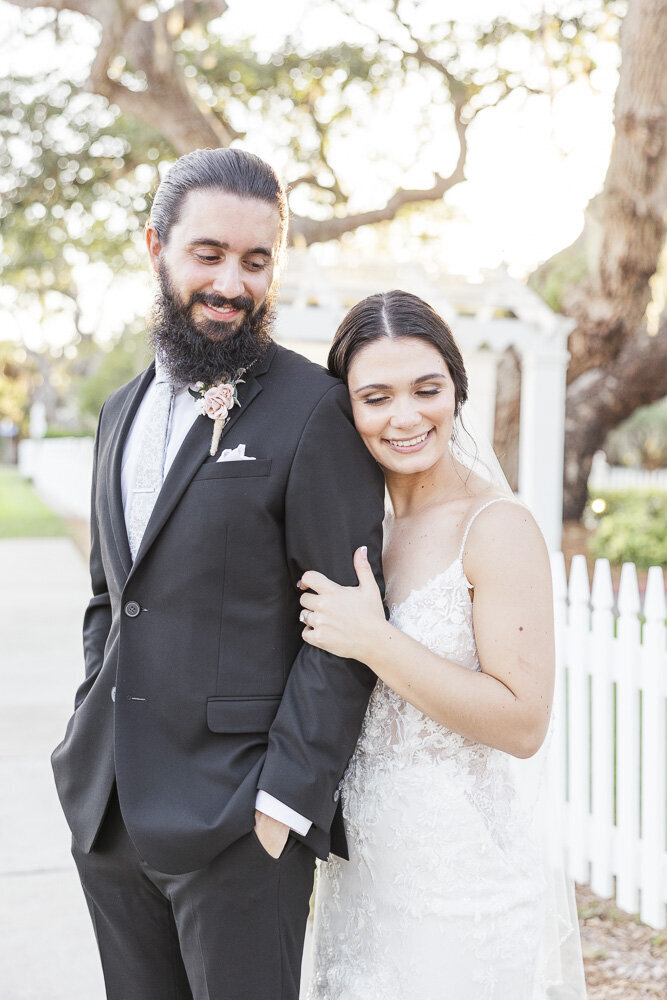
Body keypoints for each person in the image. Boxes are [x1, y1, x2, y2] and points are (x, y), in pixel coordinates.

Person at [51, 147, 385, 1000]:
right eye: (209, 255)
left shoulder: (316, 410)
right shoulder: (116, 412)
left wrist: (279, 807)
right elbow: (109, 594)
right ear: (155, 244)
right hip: (109, 815)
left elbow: (342, 631)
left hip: (240, 826)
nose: (232, 284)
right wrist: (88, 723)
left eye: (256, 260)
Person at [301, 291, 586, 1000]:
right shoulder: (362, 526)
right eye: (376, 396)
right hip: (359, 877)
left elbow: (522, 723)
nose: (405, 417)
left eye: (426, 389)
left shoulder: (493, 527)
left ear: (455, 389)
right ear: (348, 408)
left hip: (459, 890)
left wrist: (373, 640)